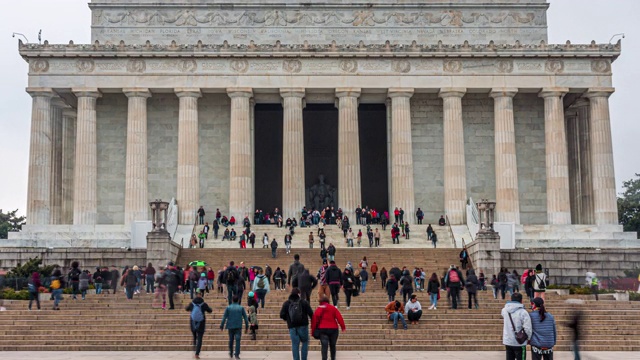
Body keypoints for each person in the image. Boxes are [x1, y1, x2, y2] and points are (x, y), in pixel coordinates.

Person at [280, 288, 314, 360]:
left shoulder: (287, 303)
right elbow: (311, 313)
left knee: (295, 344)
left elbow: (282, 315)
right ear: (299, 294)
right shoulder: (304, 302)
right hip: (303, 326)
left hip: (292, 327)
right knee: (305, 342)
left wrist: (288, 319)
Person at [312, 295, 346, 360]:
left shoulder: (318, 309)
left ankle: (324, 358)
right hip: (333, 329)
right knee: (333, 345)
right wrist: (343, 327)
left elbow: (314, 321)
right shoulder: (333, 308)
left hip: (322, 329)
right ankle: (333, 358)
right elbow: (339, 318)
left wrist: (313, 331)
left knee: (324, 346)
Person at [501, 293, 533, 360]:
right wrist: (529, 338)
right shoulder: (523, 312)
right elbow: (528, 328)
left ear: (511, 299)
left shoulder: (504, 310)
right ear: (521, 301)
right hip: (520, 342)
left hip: (508, 340)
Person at [186, 289, 213, 359]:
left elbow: (187, 308)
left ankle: (195, 345)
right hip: (201, 323)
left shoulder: (192, 303)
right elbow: (210, 310)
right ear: (201, 295)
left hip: (193, 322)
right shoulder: (203, 304)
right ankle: (197, 353)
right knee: (200, 338)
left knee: (195, 336)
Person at [220, 296, 249, 360]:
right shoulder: (241, 308)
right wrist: (247, 326)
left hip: (230, 326)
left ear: (232, 300)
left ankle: (231, 352)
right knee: (238, 340)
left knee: (231, 339)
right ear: (238, 300)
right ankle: (237, 354)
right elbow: (246, 318)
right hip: (238, 326)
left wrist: (222, 325)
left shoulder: (228, 308)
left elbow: (224, 317)